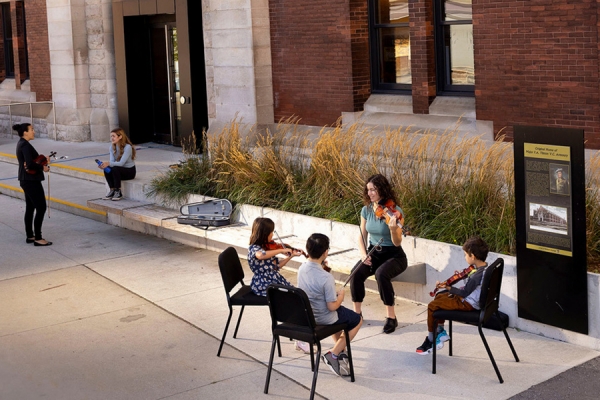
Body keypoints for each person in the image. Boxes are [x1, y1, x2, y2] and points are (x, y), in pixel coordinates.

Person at [297, 233, 362, 377]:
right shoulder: (326, 278)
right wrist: (341, 297)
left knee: (341, 317)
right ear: (325, 252)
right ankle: (333, 354)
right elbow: (332, 306)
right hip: (324, 317)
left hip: (308, 315)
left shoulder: (301, 268)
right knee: (357, 319)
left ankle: (341, 350)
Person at [350, 174, 408, 334]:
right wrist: (364, 255)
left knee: (381, 274)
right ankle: (357, 314)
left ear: (382, 189)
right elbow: (362, 236)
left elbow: (397, 243)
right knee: (356, 273)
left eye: (373, 189)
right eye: (368, 190)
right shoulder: (366, 210)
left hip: (394, 255)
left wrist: (393, 228)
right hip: (374, 251)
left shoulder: (395, 212)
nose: (370, 193)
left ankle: (391, 317)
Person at [416, 236, 490, 355]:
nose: (464, 257)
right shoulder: (485, 268)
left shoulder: (477, 276)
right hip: (474, 301)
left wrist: (448, 287)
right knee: (440, 296)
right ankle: (440, 331)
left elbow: (464, 293)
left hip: (467, 304)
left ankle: (431, 339)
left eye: (465, 255)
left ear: (473, 256)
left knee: (432, 306)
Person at [247, 217, 310, 353]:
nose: (273, 235)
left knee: (298, 296)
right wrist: (281, 251)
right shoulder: (255, 249)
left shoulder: (267, 247)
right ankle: (299, 338)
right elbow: (260, 255)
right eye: (271, 232)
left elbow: (276, 266)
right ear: (264, 233)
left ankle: (298, 334)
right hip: (264, 284)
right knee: (294, 300)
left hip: (273, 279)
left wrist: (290, 256)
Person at [14, 123, 52, 246]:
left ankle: (30, 235)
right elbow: (29, 164)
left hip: (26, 179)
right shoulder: (24, 145)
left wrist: (43, 160)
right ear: (25, 132)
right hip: (30, 180)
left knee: (30, 208)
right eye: (31, 130)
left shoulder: (22, 143)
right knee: (41, 207)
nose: (34, 132)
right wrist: (43, 167)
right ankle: (38, 238)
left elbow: (30, 162)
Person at [97, 128, 136, 201]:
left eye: (114, 136)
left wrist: (108, 163)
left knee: (115, 168)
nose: (112, 138)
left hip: (129, 171)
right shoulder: (111, 147)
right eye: (111, 136)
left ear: (120, 137)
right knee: (107, 168)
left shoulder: (127, 147)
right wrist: (104, 165)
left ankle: (118, 191)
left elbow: (121, 163)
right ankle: (112, 190)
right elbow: (112, 162)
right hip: (119, 170)